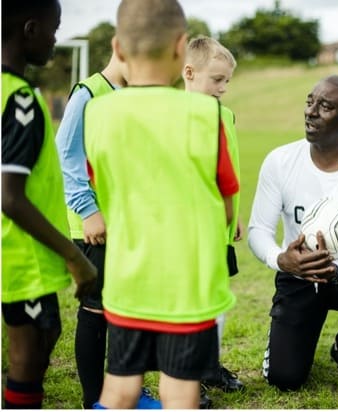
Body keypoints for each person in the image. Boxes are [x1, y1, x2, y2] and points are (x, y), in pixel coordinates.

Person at [84, 0, 238, 408]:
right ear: (180, 46)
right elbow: (226, 204)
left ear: (117, 48)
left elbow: (102, 186)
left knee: (118, 388)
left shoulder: (97, 114)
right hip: (189, 284)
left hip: (127, 279)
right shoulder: (207, 114)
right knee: (178, 390)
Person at [247, 75, 338, 394]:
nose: (311, 112)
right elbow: (258, 230)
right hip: (297, 275)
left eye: (325, 106)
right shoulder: (280, 161)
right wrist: (282, 259)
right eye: (309, 101)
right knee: (284, 379)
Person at [1, 0, 97, 408]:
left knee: (44, 334)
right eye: (53, 29)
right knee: (31, 350)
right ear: (29, 29)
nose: (56, 40)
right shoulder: (19, 101)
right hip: (22, 258)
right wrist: (74, 256)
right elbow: (10, 197)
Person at [55, 50, 161, 409]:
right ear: (122, 48)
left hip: (129, 225)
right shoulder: (88, 92)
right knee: (96, 311)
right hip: (95, 228)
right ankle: (94, 399)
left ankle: (126, 392)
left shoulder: (133, 94)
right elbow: (66, 155)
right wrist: (89, 212)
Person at [182, 35, 244, 408]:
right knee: (193, 307)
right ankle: (188, 378)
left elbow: (230, 168)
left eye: (226, 82)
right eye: (216, 80)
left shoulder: (225, 115)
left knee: (217, 305)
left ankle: (209, 366)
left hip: (219, 230)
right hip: (190, 234)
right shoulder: (176, 117)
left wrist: (233, 215)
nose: (222, 89)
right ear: (189, 72)